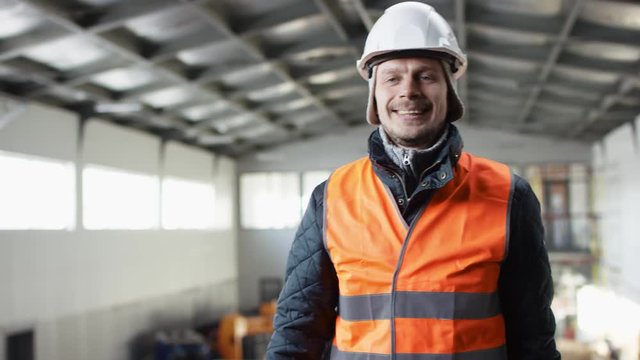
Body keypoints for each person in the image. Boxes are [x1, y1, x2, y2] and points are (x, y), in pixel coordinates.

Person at [266, 2, 560, 359]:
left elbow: (534, 338)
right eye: (393, 77)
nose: (408, 91)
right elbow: (297, 329)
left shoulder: (508, 195)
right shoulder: (331, 198)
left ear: (449, 91)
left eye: (426, 75)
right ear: (374, 93)